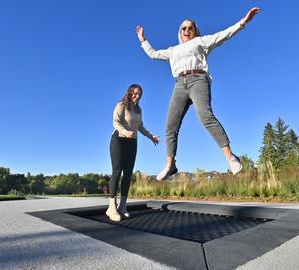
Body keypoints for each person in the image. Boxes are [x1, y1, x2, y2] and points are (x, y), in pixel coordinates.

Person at [136, 7, 261, 180]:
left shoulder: (201, 41)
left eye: (190, 28)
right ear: (180, 32)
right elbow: (153, 54)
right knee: (170, 126)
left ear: (195, 31)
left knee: (205, 116)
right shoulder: (173, 50)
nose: (187, 30)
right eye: (184, 28)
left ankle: (230, 157)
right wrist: (143, 39)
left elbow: (223, 35)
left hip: (198, 80)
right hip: (179, 84)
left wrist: (243, 22)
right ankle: (170, 165)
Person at [106, 84, 160, 222]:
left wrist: (151, 136)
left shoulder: (138, 110)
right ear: (129, 93)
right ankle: (112, 207)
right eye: (135, 93)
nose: (137, 96)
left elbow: (140, 126)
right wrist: (125, 132)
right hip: (118, 140)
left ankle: (122, 206)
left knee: (128, 174)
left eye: (139, 94)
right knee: (117, 172)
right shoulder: (121, 106)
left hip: (132, 143)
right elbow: (115, 122)